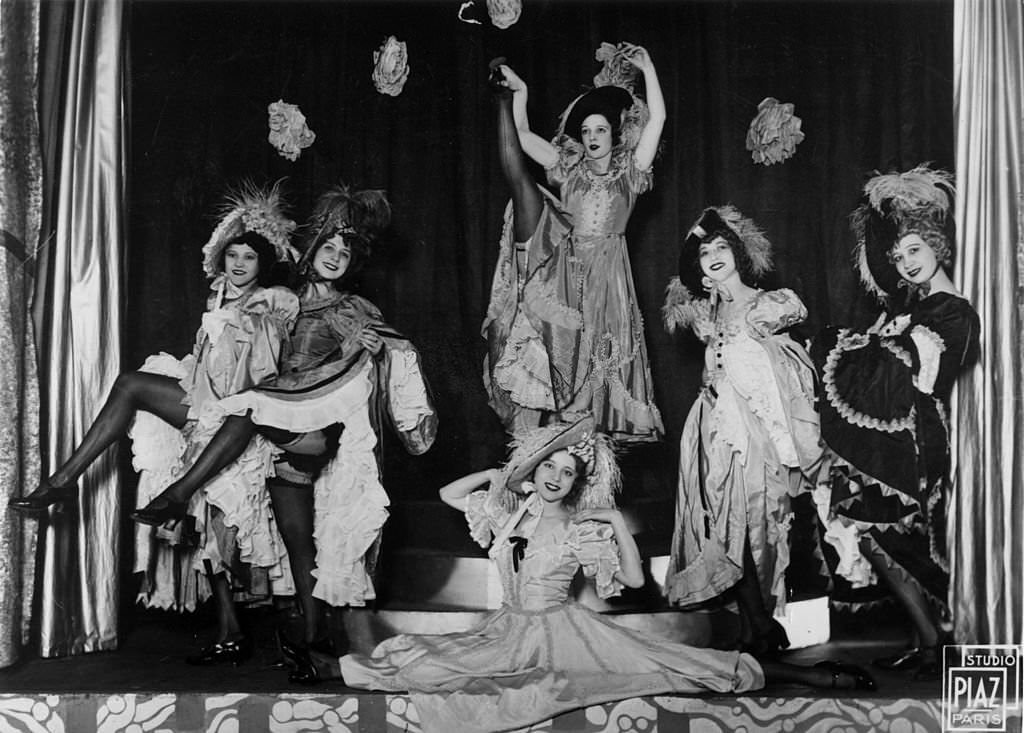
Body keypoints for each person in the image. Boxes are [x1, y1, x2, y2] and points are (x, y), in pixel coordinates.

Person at [300, 417, 873, 733]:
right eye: (548, 465)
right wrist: (503, 475)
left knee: (677, 665)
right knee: (431, 658)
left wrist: (616, 524)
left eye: (566, 470)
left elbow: (632, 580)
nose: (554, 476)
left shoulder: (581, 527)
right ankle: (330, 666)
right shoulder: (511, 511)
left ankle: (817, 679)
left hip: (565, 630)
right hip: (509, 628)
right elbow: (451, 495)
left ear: (577, 482)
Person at [130, 183, 438, 683]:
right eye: (329, 247)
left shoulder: (358, 311)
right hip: (268, 431)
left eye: (345, 252)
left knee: (251, 415)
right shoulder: (282, 299)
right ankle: (311, 644)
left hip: (310, 431)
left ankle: (175, 496)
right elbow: (246, 358)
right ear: (312, 249)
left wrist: (364, 351)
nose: (335, 257)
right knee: (295, 540)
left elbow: (378, 369)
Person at [10, 182, 301, 664]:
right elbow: (207, 370)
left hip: (247, 411)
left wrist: (240, 329)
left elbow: (259, 375)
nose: (239, 264)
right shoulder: (220, 299)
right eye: (234, 254)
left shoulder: (270, 303)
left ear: (262, 266)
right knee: (130, 384)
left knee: (215, 517)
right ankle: (61, 482)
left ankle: (230, 629)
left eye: (249, 257)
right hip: (208, 400)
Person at [812, 166, 980, 680]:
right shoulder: (916, 309)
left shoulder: (953, 311)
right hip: (896, 431)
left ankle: (934, 639)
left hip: (916, 433)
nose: (907, 263)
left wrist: (858, 343)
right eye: (899, 256)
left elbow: (918, 371)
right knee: (875, 531)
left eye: (914, 250)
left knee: (897, 534)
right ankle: (926, 637)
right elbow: (887, 357)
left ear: (934, 245)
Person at [661, 206, 824, 656]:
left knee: (760, 526)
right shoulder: (705, 320)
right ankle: (757, 629)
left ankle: (763, 625)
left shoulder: (768, 304)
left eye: (720, 247)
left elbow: (780, 370)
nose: (712, 256)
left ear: (738, 253)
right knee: (726, 529)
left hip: (761, 435)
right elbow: (715, 379)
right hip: (715, 431)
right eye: (703, 252)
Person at [483, 42, 665, 442]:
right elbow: (523, 133)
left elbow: (657, 122)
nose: (592, 136)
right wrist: (522, 92)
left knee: (603, 356)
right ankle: (558, 441)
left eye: (600, 129)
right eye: (585, 131)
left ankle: (595, 451)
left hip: (609, 275)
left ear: (613, 133)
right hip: (565, 270)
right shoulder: (567, 169)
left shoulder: (629, 173)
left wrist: (648, 69)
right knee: (562, 355)